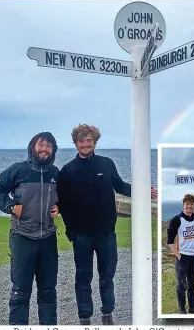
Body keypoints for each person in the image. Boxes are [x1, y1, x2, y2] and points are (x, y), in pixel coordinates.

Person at [57, 123, 157, 325]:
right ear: (75, 143)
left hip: (106, 234)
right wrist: (72, 233)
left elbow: (120, 186)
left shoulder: (106, 164)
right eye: (81, 141)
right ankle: (84, 316)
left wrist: (144, 188)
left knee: (107, 275)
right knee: (83, 277)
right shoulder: (67, 171)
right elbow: (64, 204)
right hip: (82, 236)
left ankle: (107, 312)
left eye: (88, 140)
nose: (85, 144)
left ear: (95, 141)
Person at [0, 132, 59, 325]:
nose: (44, 149)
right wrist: (11, 206)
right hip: (22, 237)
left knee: (48, 290)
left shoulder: (54, 173)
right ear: (33, 147)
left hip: (47, 238)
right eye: (41, 145)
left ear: (53, 151)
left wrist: (58, 205)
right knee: (21, 290)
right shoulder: (18, 170)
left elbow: (61, 195)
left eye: (49, 146)